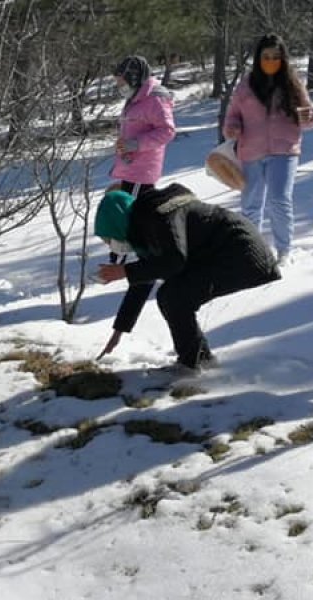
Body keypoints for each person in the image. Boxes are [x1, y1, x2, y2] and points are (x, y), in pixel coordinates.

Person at [94, 184, 280, 373]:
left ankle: (192, 363)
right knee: (172, 295)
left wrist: (124, 271)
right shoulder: (147, 225)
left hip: (240, 253)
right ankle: (199, 359)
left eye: (110, 239)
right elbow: (144, 280)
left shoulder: (160, 217)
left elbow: (174, 260)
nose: (113, 246)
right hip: (225, 253)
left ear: (118, 223)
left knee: (174, 296)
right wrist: (119, 331)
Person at [223, 34, 313, 265]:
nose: (271, 61)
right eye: (266, 56)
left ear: (283, 59)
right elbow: (232, 117)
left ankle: (284, 251)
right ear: (258, 58)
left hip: (284, 150)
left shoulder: (292, 84)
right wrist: (233, 128)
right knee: (251, 204)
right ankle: (251, 249)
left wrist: (308, 116)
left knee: (279, 200)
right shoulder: (245, 86)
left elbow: (310, 119)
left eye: (276, 57)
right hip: (251, 152)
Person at [109, 55, 176, 197]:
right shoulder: (135, 99)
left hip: (142, 171)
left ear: (133, 79)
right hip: (130, 167)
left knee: (132, 212)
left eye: (122, 83)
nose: (120, 88)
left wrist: (135, 144)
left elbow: (167, 131)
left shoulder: (155, 99)